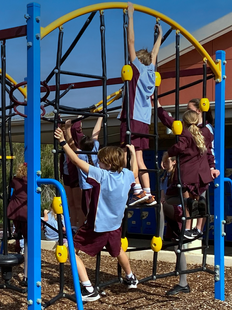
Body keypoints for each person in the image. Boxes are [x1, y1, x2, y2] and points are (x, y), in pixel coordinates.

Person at [54, 127, 139, 302]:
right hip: (115, 225)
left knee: (71, 251)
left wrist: (63, 141)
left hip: (97, 225)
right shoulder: (127, 175)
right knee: (118, 251)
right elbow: (135, 172)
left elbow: (77, 161)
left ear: (107, 164)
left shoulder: (102, 175)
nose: (97, 164)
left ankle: (88, 289)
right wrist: (133, 154)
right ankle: (131, 277)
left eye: (100, 161)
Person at [118, 2, 162, 206]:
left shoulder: (136, 69)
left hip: (133, 118)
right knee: (140, 157)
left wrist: (131, 16)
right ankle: (148, 191)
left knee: (129, 155)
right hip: (144, 121)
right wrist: (159, 35)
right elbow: (154, 54)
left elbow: (130, 41)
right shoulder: (152, 73)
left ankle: (136, 189)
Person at [156, 101, 219, 239]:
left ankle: (187, 229)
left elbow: (178, 146)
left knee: (186, 203)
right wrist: (212, 166)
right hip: (201, 175)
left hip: (187, 175)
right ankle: (198, 228)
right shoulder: (206, 132)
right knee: (197, 200)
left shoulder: (186, 135)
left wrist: (167, 153)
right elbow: (209, 150)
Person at [159, 152, 191, 296]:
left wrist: (188, 225)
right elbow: (162, 196)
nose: (162, 164)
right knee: (175, 245)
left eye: (165, 161)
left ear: (173, 162)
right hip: (169, 211)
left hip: (177, 212)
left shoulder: (178, 177)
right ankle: (182, 279)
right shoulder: (164, 177)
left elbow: (185, 201)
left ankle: (183, 282)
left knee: (179, 247)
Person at [186, 98, 218, 235]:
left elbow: (210, 150)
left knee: (200, 197)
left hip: (204, 168)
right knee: (192, 197)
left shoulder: (206, 128)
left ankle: (198, 228)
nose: (187, 112)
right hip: (196, 167)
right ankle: (191, 227)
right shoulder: (194, 128)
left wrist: (212, 167)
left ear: (199, 111)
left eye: (190, 110)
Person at [64, 117, 103, 216]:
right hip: (98, 185)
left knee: (88, 211)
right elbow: (96, 133)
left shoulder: (80, 155)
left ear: (81, 146)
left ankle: (90, 228)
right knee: (97, 209)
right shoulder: (95, 149)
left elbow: (71, 143)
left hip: (87, 188)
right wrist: (100, 117)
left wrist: (68, 128)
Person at [7, 162, 28, 286]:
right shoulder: (33, 182)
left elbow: (10, 184)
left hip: (15, 213)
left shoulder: (15, 181)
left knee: (22, 234)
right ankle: (26, 275)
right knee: (28, 243)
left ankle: (17, 231)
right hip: (27, 214)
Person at [60, 121, 83, 228]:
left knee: (78, 204)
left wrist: (78, 121)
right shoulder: (62, 145)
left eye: (66, 130)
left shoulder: (74, 144)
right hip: (66, 174)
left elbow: (72, 138)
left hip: (75, 174)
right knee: (71, 203)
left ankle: (81, 226)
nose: (64, 132)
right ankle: (73, 226)